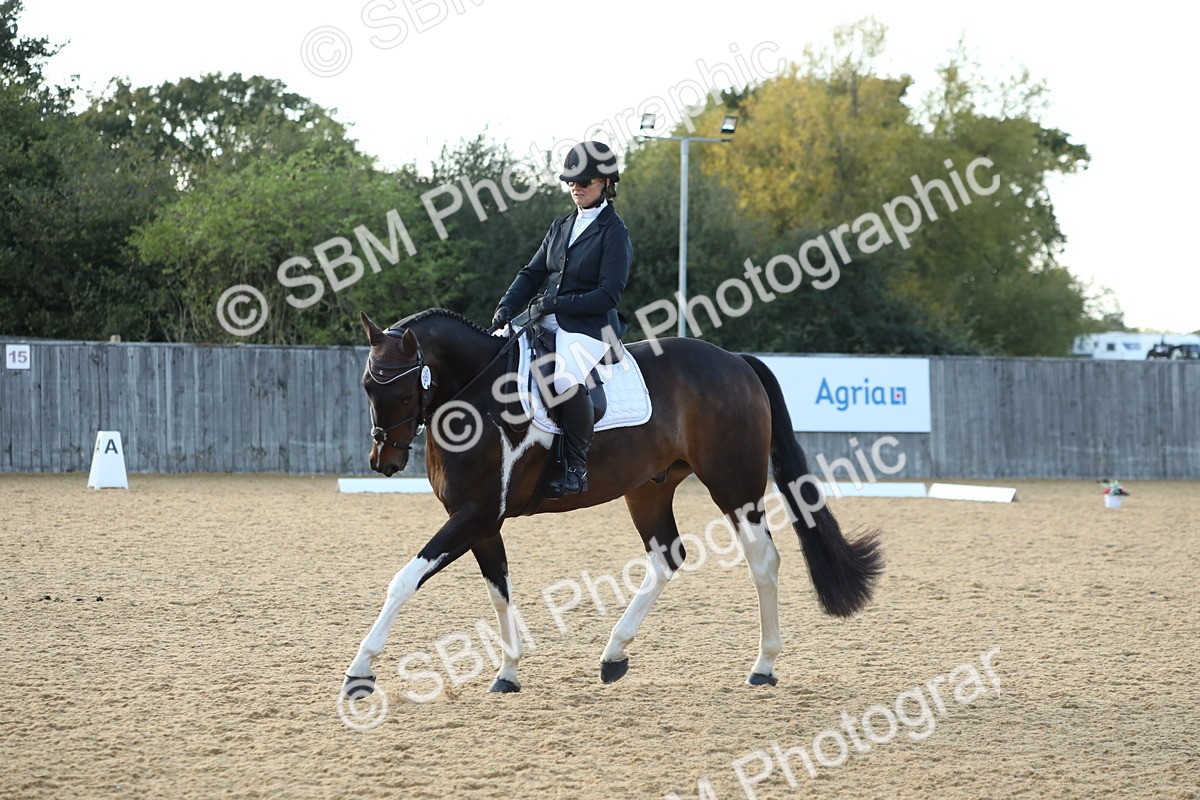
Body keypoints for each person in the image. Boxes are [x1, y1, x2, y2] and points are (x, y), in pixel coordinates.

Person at [491, 141, 633, 497]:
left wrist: (557, 303)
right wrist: (506, 307)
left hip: (591, 327)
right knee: (500, 353)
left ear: (606, 182)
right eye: (572, 181)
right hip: (547, 316)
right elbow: (532, 272)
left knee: (565, 377)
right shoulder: (561, 225)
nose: (577, 187)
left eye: (585, 181)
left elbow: (609, 295)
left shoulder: (614, 233)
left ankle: (575, 465)